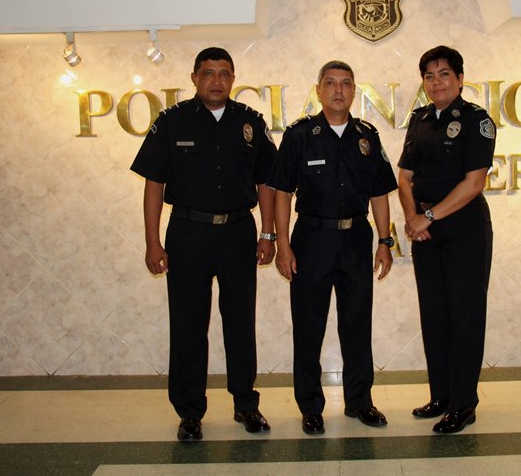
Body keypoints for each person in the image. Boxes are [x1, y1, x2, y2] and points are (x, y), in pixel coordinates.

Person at [130, 47, 277, 442]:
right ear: (194, 78)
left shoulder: (250, 122)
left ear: (233, 79)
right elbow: (154, 184)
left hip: (237, 232)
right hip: (187, 233)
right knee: (188, 324)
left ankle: (246, 404)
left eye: (224, 73)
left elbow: (267, 181)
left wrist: (268, 233)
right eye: (208, 73)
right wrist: (152, 242)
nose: (216, 80)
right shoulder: (172, 121)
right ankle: (190, 412)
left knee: (240, 321)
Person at [268, 60, 397, 435]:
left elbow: (379, 193)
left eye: (345, 83)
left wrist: (384, 241)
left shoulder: (367, 136)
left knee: (357, 325)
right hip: (311, 240)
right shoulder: (299, 135)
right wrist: (283, 245)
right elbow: (281, 194)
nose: (338, 90)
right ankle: (310, 406)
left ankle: (360, 402)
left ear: (354, 90)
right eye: (330, 83)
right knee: (308, 328)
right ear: (319, 90)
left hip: (356, 239)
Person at [398, 45, 496, 434]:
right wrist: (413, 219)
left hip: (464, 227)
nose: (436, 82)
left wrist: (428, 216)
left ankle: (463, 404)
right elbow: (404, 177)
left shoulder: (476, 120)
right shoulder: (420, 120)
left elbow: (474, 183)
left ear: (460, 79)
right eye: (429, 76)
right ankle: (441, 396)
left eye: (444, 74)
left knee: (465, 316)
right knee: (434, 314)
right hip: (425, 230)